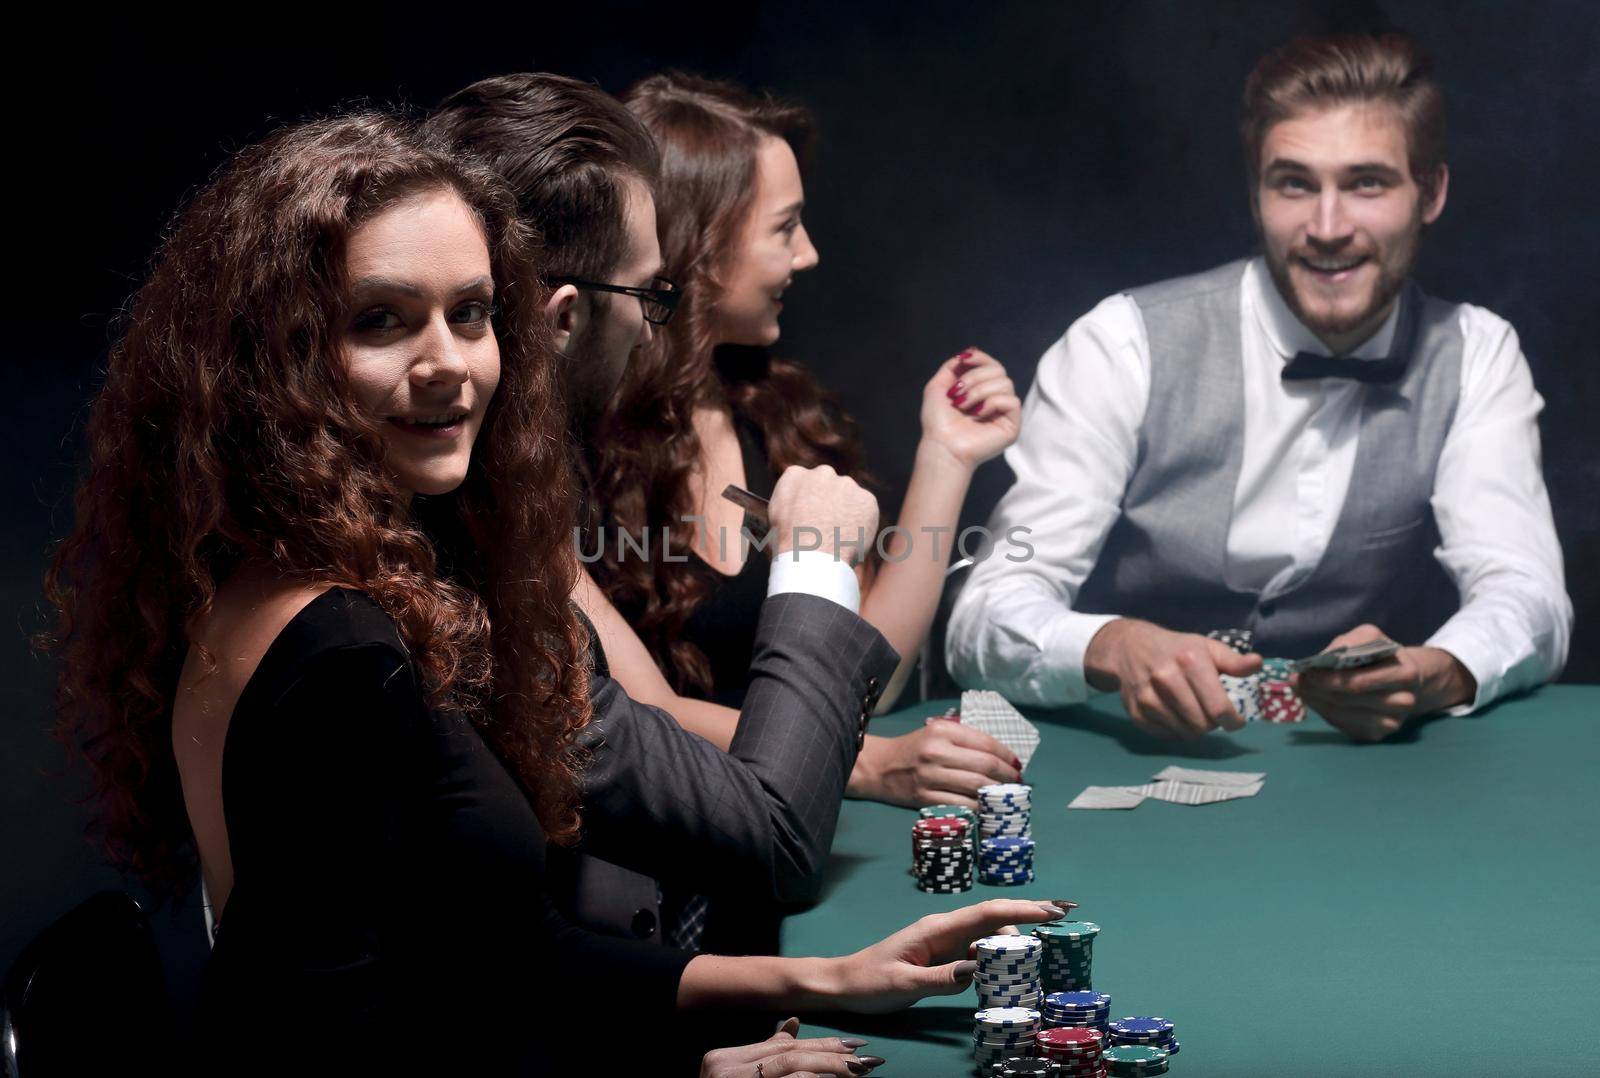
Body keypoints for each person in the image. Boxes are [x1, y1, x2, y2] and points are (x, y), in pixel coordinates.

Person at [41, 111, 1072, 1075]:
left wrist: (819, 977)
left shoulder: (344, 579)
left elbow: (489, 955)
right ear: (278, 360)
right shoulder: (342, 649)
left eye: (472, 314)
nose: (450, 363)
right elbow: (324, 1049)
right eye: (381, 320)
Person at [947, 31, 1571, 744]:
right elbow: (982, 615)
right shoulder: (1120, 345)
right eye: (1295, 184)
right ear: (1255, 194)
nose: (1328, 228)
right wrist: (1111, 647)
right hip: (1113, 750)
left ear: (1429, 193)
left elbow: (1528, 596)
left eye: (1366, 182)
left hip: (1353, 773)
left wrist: (1437, 670)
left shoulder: (1478, 356)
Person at [424, 75, 899, 968]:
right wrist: (817, 566)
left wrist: (788, 988)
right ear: (564, 316)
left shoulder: (483, 524)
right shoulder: (454, 583)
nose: (653, 335)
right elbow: (775, 836)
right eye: (647, 296)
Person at [565, 71, 1027, 815]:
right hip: (655, 856)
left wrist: (948, 456)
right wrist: (869, 766)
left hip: (785, 821)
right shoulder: (566, 445)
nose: (808, 254)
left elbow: (865, 679)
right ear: (697, 243)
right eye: (784, 227)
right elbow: (639, 714)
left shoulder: (771, 411)